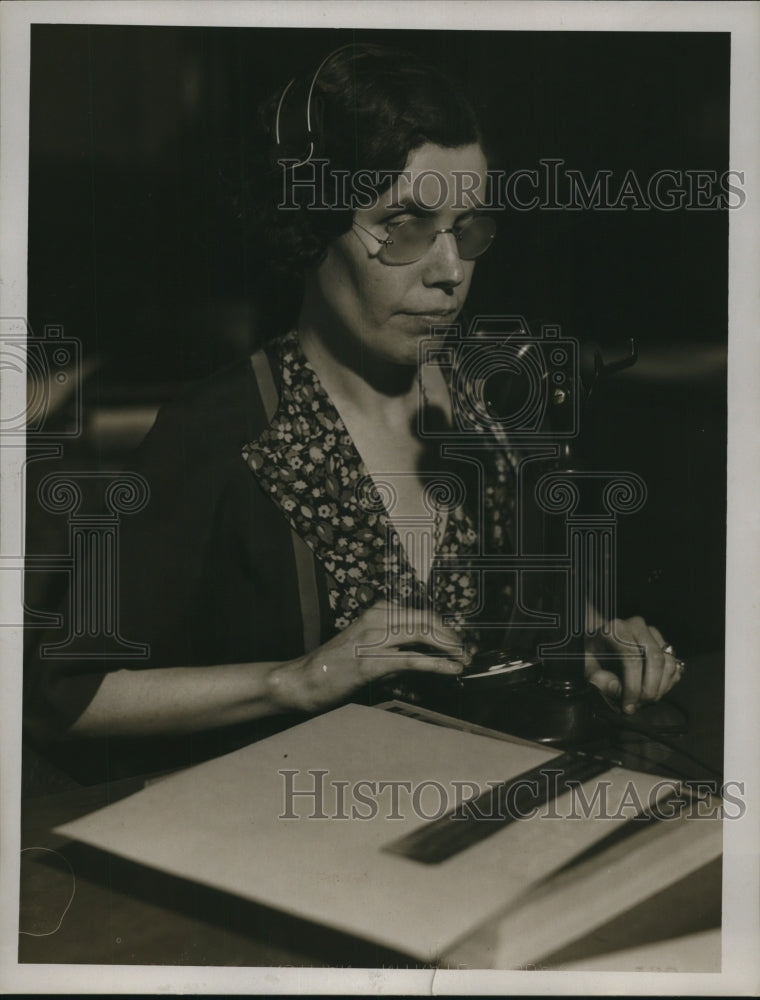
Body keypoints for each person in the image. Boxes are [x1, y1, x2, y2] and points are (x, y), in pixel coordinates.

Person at [24, 44, 683, 778]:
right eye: (403, 226)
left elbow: (519, 622)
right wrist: (295, 678)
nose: (450, 273)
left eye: (467, 229)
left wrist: (591, 645)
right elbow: (63, 697)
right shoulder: (218, 427)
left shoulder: (487, 407)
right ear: (310, 224)